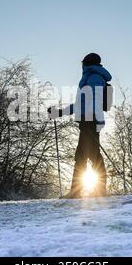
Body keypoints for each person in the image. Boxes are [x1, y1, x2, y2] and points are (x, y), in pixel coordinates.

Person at [48, 53, 112, 198]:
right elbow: (79, 105)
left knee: (89, 156)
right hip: (88, 121)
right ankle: (91, 192)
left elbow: (95, 101)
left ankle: (86, 192)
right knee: (86, 156)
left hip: (90, 122)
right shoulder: (89, 77)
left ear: (87, 64)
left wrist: (95, 122)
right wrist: (59, 112)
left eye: (82, 63)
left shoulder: (94, 77)